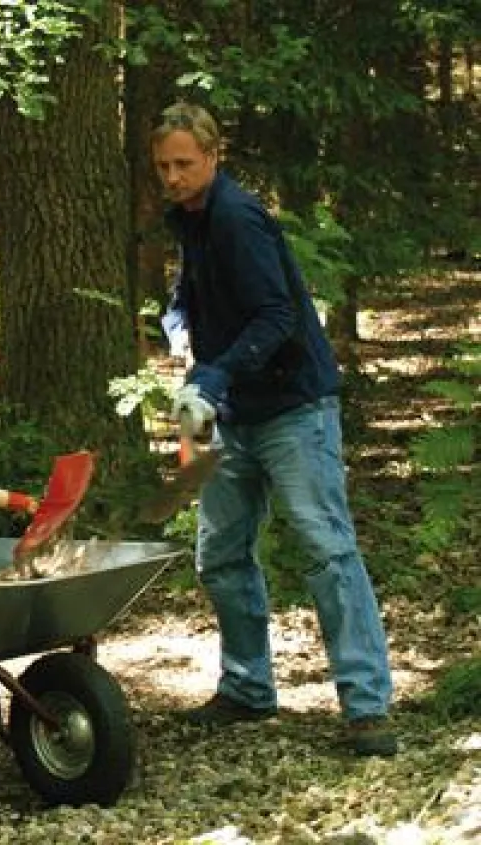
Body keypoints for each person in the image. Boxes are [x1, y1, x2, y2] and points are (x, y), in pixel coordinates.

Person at [151, 102, 397, 757]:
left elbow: (276, 315)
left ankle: (367, 705)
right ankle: (247, 687)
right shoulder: (191, 219)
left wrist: (214, 376)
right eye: (163, 165)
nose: (172, 176)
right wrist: (180, 336)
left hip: (293, 409)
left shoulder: (237, 217)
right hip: (229, 415)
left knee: (327, 550)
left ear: (213, 156)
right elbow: (191, 300)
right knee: (221, 554)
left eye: (184, 163)